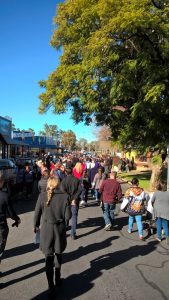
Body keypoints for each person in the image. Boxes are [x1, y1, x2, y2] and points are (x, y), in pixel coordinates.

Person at [34, 176, 71, 298]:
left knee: (48, 258)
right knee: (58, 254)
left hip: (46, 230)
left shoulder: (42, 196)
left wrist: (36, 226)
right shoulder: (65, 197)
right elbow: (68, 215)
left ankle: (51, 287)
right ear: (58, 184)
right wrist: (65, 224)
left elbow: (37, 213)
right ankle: (58, 278)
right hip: (59, 229)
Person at [0, 174, 21, 263]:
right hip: (1, 225)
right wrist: (17, 220)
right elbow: (11, 213)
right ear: (1, 182)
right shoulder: (4, 196)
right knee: (1, 245)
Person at [60, 168, 82, 240]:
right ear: (72, 172)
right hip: (74, 201)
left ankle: (66, 227)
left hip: (66, 200)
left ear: (66, 173)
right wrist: (74, 198)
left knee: (66, 214)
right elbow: (80, 190)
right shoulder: (76, 180)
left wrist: (68, 197)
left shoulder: (64, 181)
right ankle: (73, 233)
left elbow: (62, 190)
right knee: (74, 216)